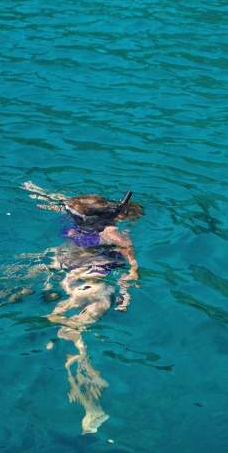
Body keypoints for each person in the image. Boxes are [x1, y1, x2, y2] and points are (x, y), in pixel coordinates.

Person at [21, 181, 143, 434]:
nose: (67, 213)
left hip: (76, 271)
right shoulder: (102, 226)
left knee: (64, 321)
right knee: (72, 326)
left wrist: (126, 294)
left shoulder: (112, 234)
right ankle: (88, 397)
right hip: (84, 274)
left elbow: (133, 272)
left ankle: (90, 399)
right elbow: (131, 272)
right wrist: (35, 189)